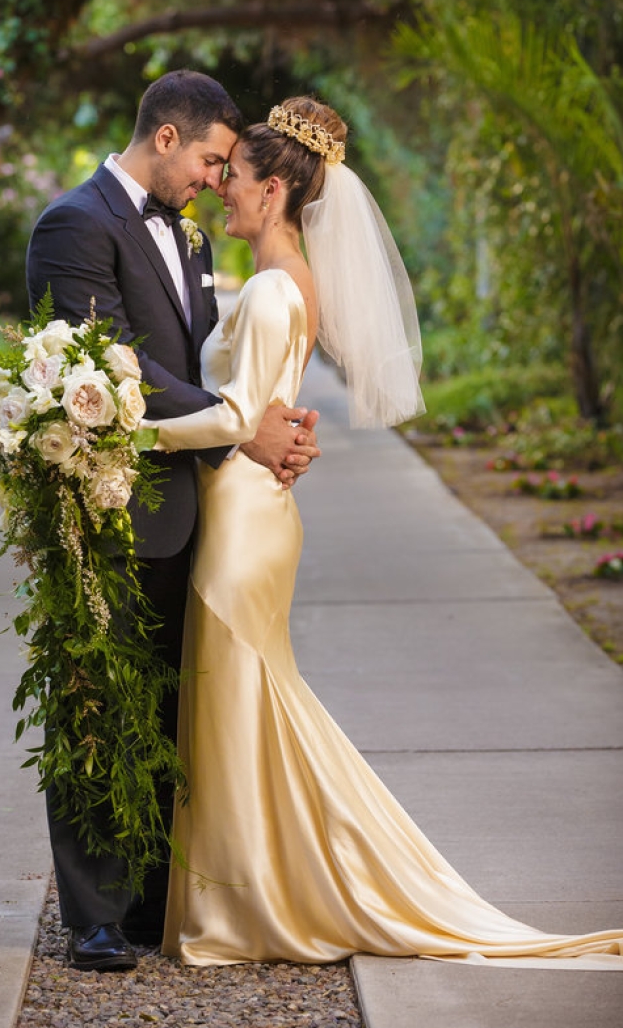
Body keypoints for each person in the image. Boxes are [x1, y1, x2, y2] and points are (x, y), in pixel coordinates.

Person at [145, 96, 623, 968]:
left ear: (278, 194)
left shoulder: (267, 289)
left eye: (238, 181)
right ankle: (255, 890)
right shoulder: (296, 285)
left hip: (242, 522)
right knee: (252, 707)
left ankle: (249, 907)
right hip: (261, 513)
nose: (224, 193)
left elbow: (238, 416)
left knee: (239, 709)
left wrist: (125, 425)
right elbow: (269, 407)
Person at [25, 70, 320, 972]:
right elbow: (111, 369)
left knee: (164, 698)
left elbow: (195, 354)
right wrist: (244, 423)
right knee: (96, 699)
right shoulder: (72, 226)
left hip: (190, 503)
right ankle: (95, 915)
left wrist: (259, 427)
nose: (210, 178)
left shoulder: (184, 234)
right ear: (164, 139)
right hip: (107, 507)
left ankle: (151, 890)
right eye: (206, 159)